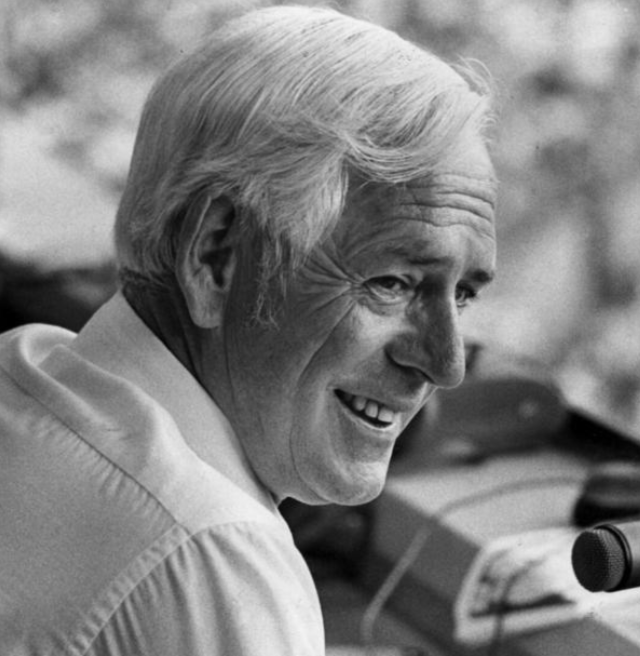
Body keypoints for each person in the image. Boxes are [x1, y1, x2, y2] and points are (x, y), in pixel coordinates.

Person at [0, 5, 498, 655]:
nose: (446, 362)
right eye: (392, 283)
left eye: (461, 296)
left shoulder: (25, 369)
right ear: (217, 257)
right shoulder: (210, 554)